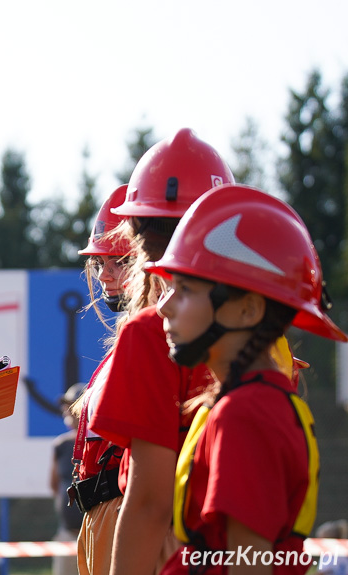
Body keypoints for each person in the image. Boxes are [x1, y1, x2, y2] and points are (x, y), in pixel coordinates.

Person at [147, 184, 347, 574]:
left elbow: (249, 564)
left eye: (185, 289)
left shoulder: (245, 414)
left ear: (248, 310)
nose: (164, 305)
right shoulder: (258, 402)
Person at [88, 128, 235, 575]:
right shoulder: (263, 334)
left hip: (171, 551)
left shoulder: (154, 331)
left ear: (138, 238)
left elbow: (150, 503)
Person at [68, 185, 133, 575]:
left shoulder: (162, 338)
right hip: (102, 518)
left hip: (124, 515)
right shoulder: (129, 339)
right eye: (99, 263)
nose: (104, 274)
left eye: (118, 261)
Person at [50, 382, 86, 575]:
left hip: (95, 533)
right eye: (66, 406)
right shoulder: (61, 445)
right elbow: (55, 485)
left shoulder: (102, 441)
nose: (66, 410)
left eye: (71, 405)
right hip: (67, 533)